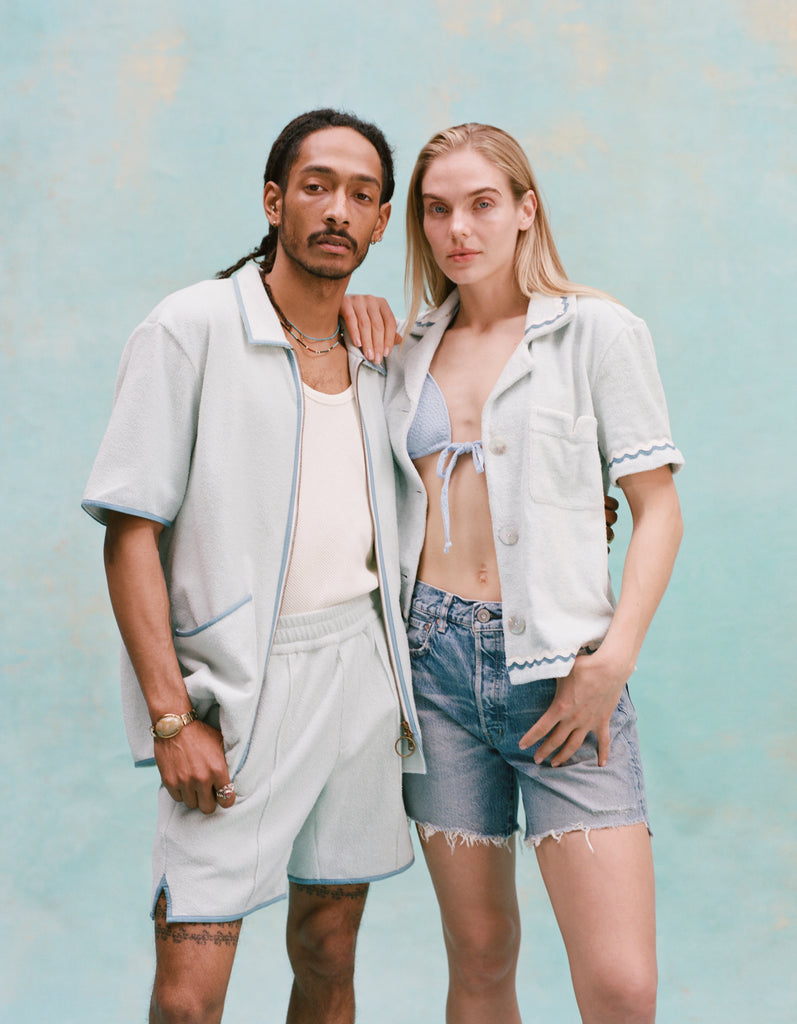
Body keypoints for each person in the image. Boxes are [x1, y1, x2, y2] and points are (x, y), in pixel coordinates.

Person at [81, 108, 425, 1024]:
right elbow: (128, 533)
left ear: (383, 221)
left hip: (360, 678)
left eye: (361, 194)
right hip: (236, 691)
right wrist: (168, 718)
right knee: (190, 997)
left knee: (327, 950)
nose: (336, 211)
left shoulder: (379, 353)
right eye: (315, 186)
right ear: (274, 200)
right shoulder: (189, 327)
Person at [345, 123, 683, 1023]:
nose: (459, 227)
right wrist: (348, 314)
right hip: (433, 672)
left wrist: (608, 664)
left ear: (526, 211)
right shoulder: (402, 351)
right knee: (482, 956)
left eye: (482, 203)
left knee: (618, 984)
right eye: (437, 208)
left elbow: (656, 510)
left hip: (560, 671)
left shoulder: (596, 332)